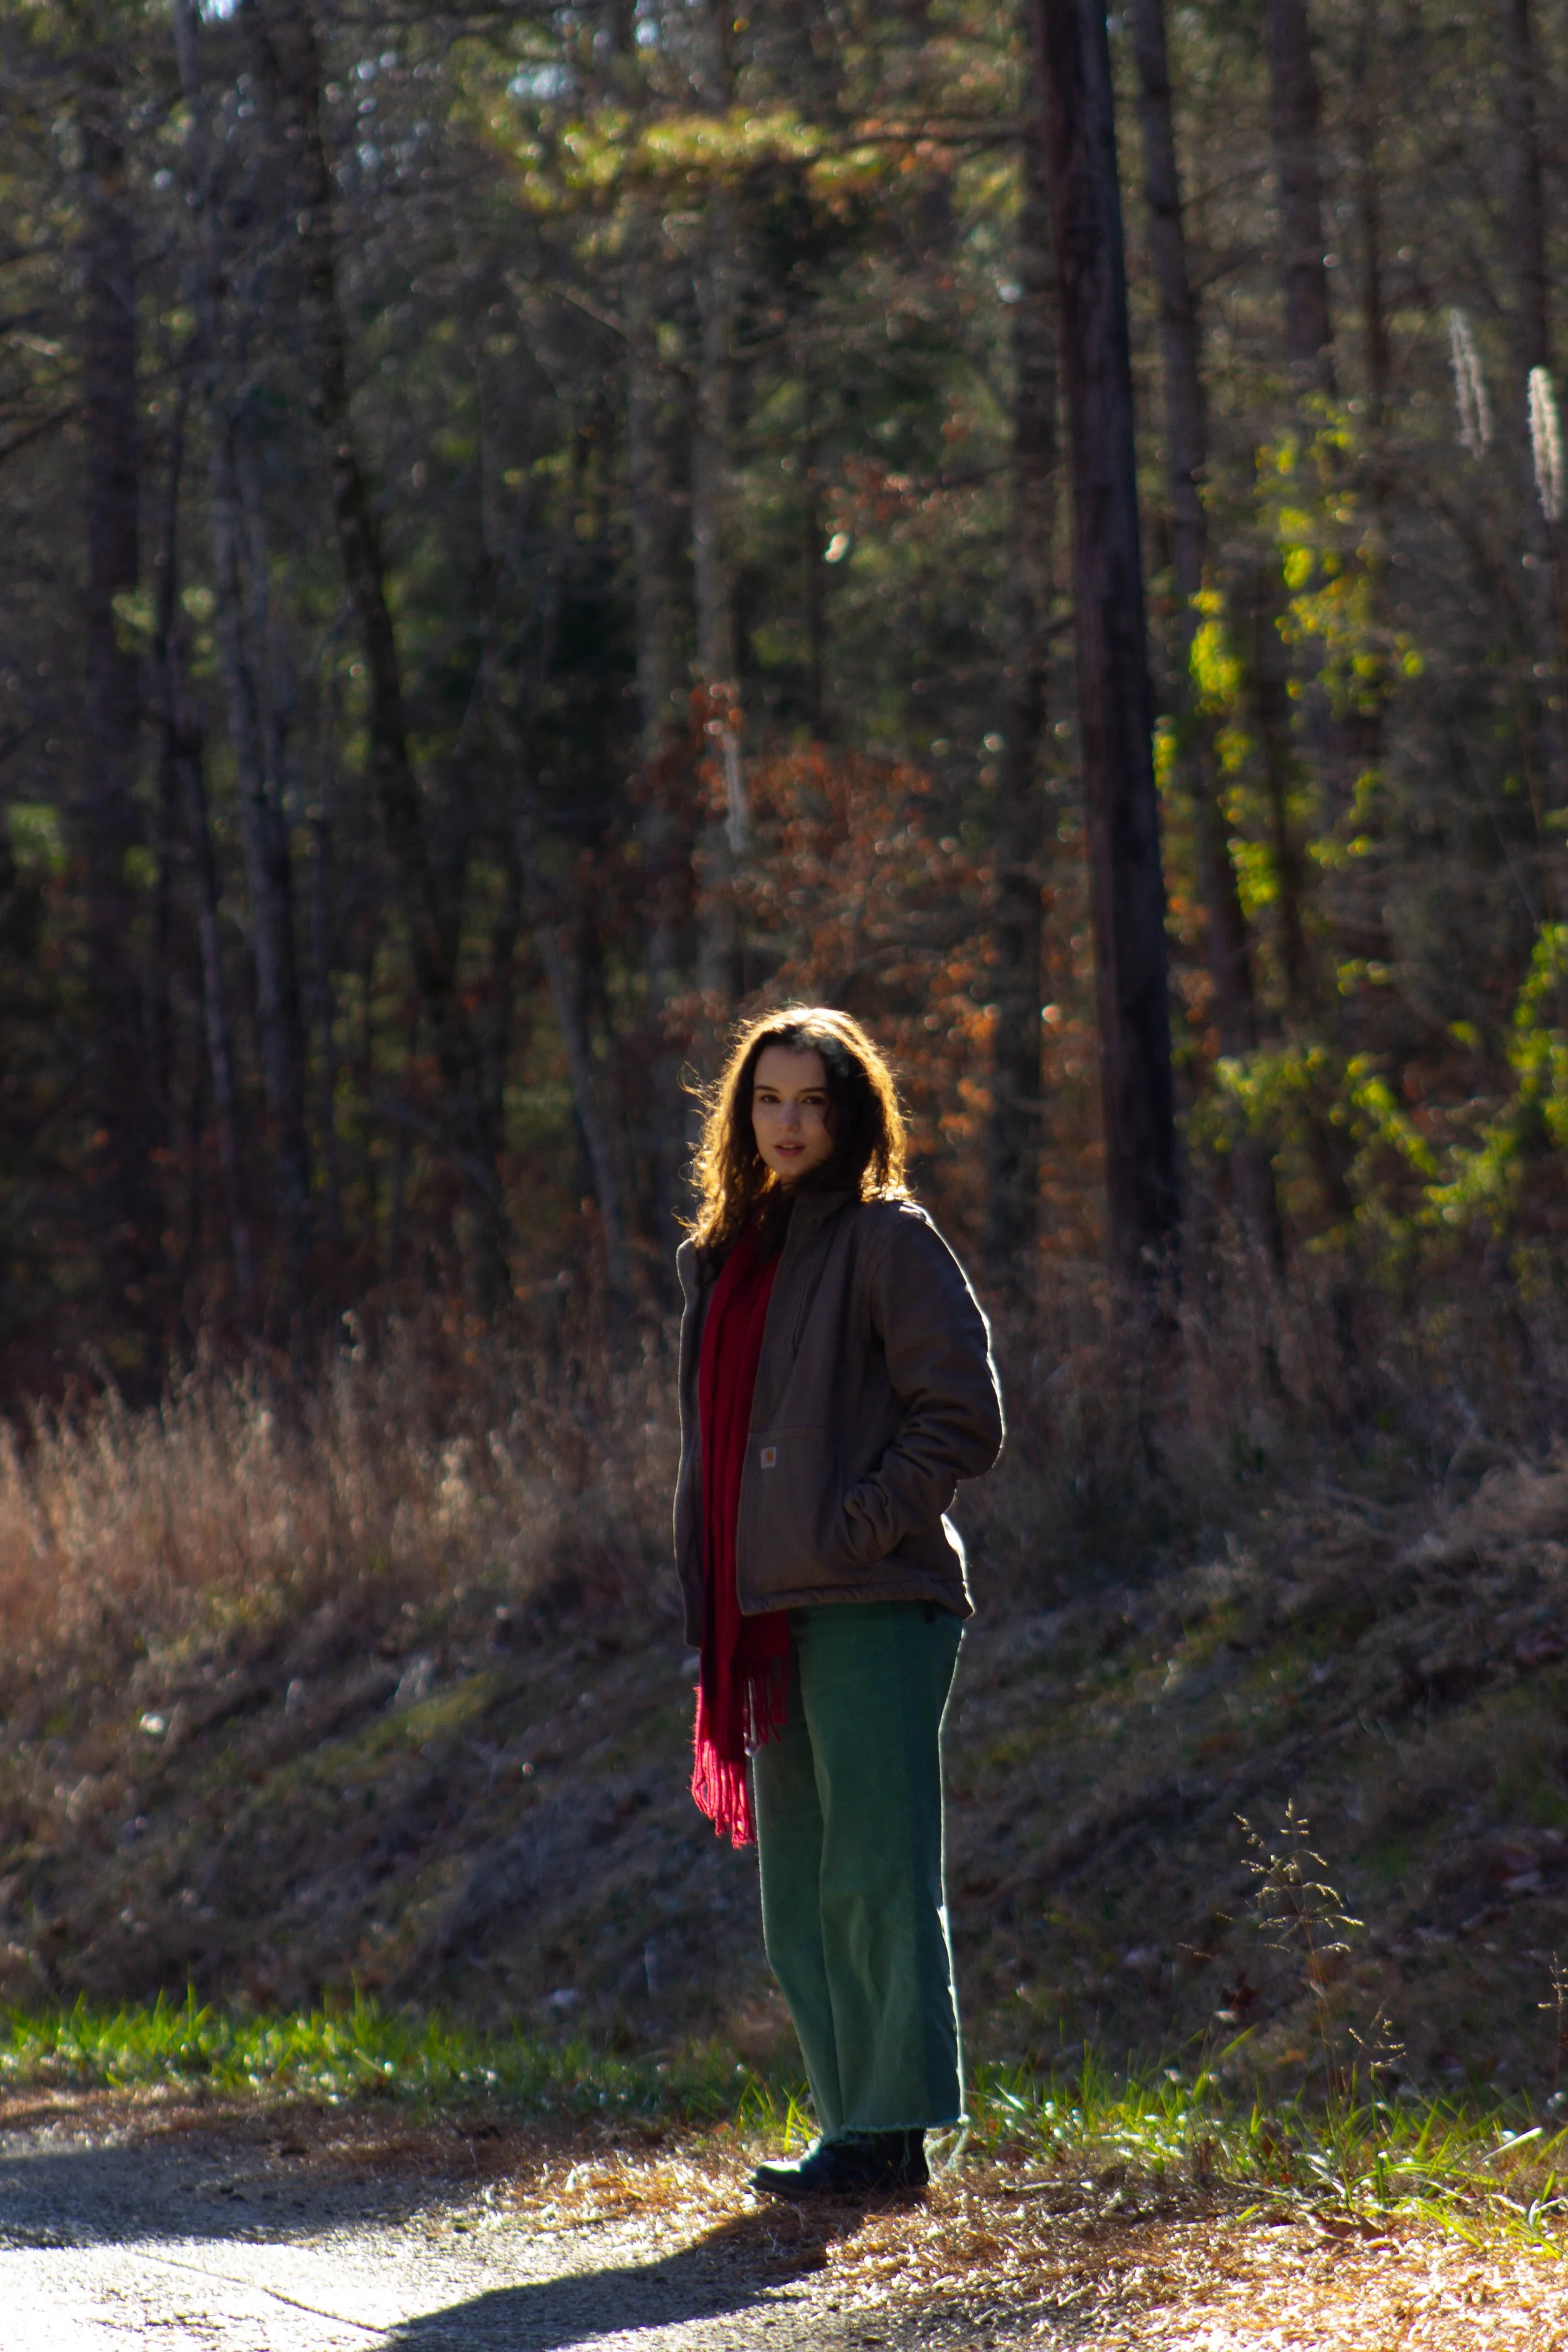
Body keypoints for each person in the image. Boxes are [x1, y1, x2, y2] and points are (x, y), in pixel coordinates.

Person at [672, 1005, 1004, 2198]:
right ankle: (849, 2123)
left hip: (873, 1601)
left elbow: (963, 1411)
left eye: (813, 1101)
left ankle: (893, 2133)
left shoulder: (887, 1239)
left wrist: (860, 1522)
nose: (789, 1122)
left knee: (874, 1874)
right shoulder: (733, 1257)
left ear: (853, 1113)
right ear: (742, 1115)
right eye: (769, 1100)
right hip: (766, 1615)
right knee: (800, 1891)